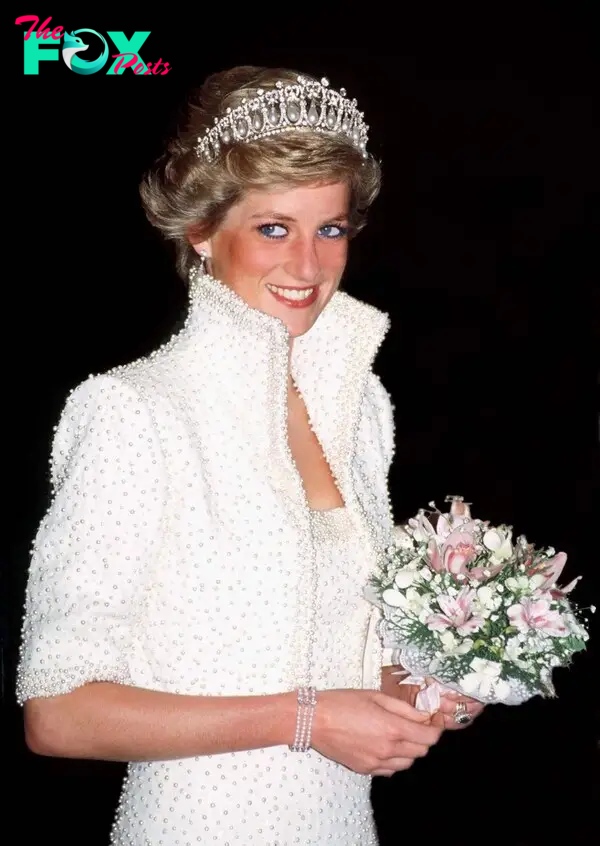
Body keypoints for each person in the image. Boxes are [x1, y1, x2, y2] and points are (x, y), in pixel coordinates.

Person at [16, 66, 483, 845]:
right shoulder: (135, 410)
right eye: (274, 228)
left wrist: (424, 687)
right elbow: (59, 716)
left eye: (329, 229)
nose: (307, 265)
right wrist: (304, 720)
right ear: (202, 232)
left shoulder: (362, 409)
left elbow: (344, 663)